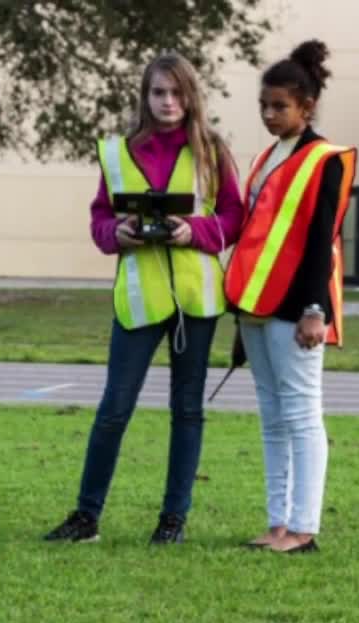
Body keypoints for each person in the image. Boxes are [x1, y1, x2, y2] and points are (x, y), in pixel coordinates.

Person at [43, 52, 244, 544]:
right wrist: (119, 233)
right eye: (159, 93)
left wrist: (192, 231)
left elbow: (236, 218)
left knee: (188, 410)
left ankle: (172, 521)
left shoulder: (213, 151)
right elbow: (98, 221)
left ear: (191, 96)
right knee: (114, 409)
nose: (168, 102)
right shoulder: (116, 153)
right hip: (138, 300)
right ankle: (86, 517)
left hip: (196, 302)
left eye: (177, 93)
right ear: (145, 96)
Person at [223, 40, 357, 554]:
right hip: (255, 308)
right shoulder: (266, 157)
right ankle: (278, 522)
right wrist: (239, 318)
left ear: (308, 107)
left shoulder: (326, 160)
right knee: (272, 418)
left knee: (302, 417)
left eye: (280, 105)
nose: (269, 114)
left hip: (297, 309)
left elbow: (322, 238)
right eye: (264, 105)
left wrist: (315, 310)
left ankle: (304, 528)